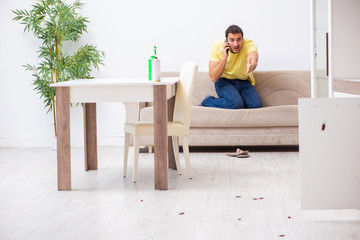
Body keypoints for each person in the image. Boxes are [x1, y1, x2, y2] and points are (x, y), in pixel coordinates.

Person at [201, 25, 263, 109]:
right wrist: (224, 57)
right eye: (232, 40)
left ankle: (238, 99)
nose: (236, 44)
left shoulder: (248, 44)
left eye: (239, 39)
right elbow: (214, 77)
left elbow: (253, 55)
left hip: (244, 81)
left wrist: (253, 63)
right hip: (224, 81)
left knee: (256, 106)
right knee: (236, 104)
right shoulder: (216, 46)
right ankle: (208, 101)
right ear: (226, 40)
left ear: (242, 39)